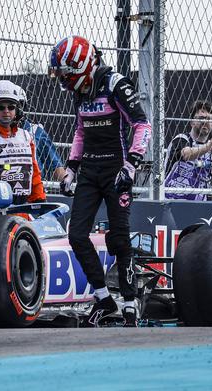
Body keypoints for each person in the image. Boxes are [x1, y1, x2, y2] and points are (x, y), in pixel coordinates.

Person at [50, 35, 151, 327]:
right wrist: (71, 168)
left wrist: (131, 165)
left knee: (119, 237)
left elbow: (142, 125)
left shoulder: (115, 84)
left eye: (67, 75)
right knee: (77, 235)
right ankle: (104, 299)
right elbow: (81, 131)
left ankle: (130, 303)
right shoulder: (80, 91)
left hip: (116, 170)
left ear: (81, 67)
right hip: (90, 173)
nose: (64, 81)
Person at [163, 100, 212, 200]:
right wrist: (208, 147)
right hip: (172, 200)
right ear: (192, 122)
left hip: (199, 205)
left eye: (209, 119)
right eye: (201, 118)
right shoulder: (182, 138)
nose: (205, 122)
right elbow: (186, 154)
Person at [16, 85, 66, 181]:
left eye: (15, 106)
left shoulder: (35, 131)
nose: (7, 111)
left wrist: (66, 182)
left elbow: (55, 164)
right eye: (1, 107)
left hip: (34, 187)